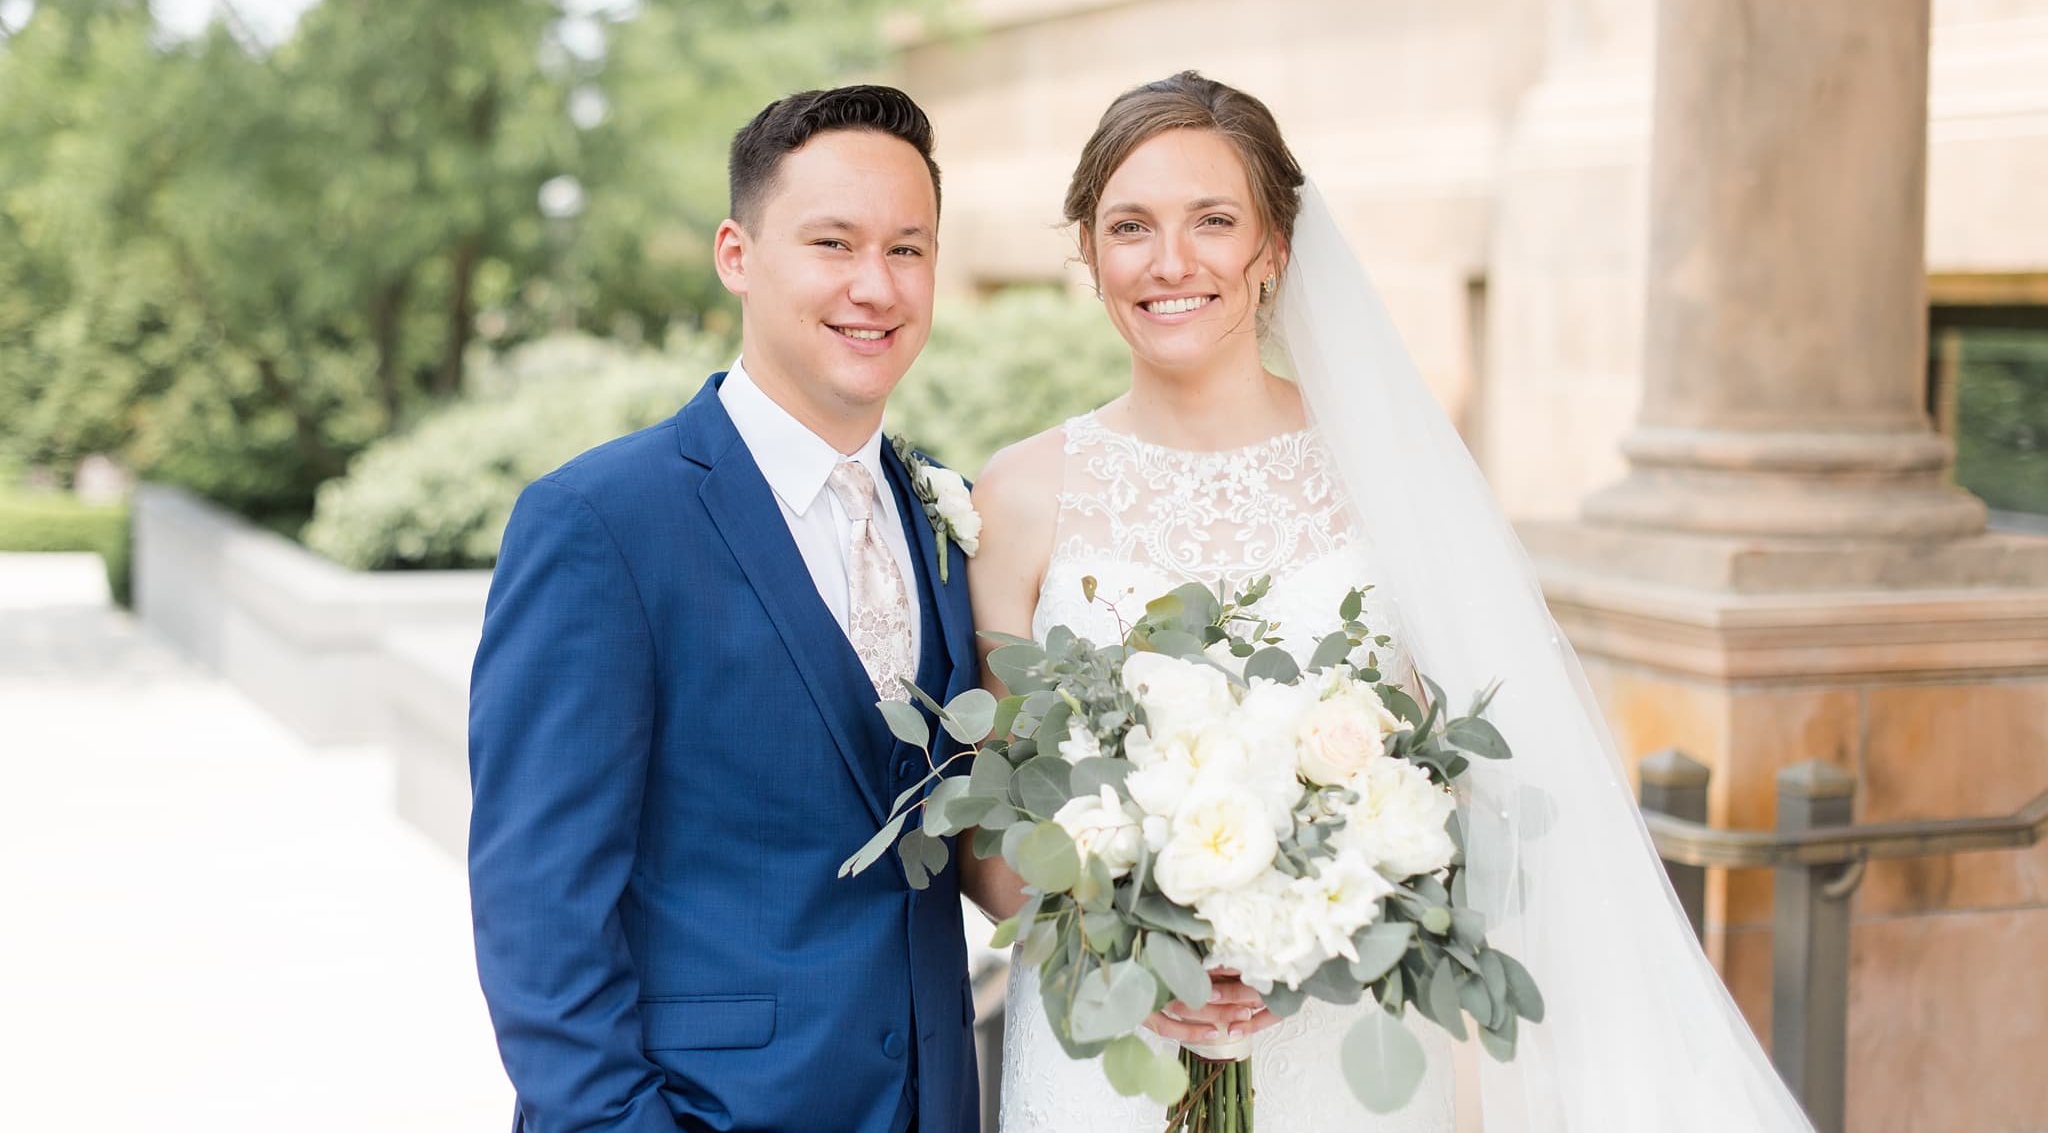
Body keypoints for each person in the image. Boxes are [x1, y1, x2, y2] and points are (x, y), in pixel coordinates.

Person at [964, 71, 1818, 1132]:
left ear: (1274, 247)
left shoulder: (1386, 474)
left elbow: (1466, 796)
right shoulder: (1020, 495)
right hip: (1108, 1053)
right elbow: (994, 837)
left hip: (1336, 1038)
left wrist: (1310, 929)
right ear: (1089, 253)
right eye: (1128, 225)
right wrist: (1126, 943)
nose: (1168, 261)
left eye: (1212, 221)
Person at [467, 85, 982, 1133]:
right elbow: (539, 910)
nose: (873, 286)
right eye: (831, 242)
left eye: (908, 249)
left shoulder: (946, 509)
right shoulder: (599, 521)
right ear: (736, 255)